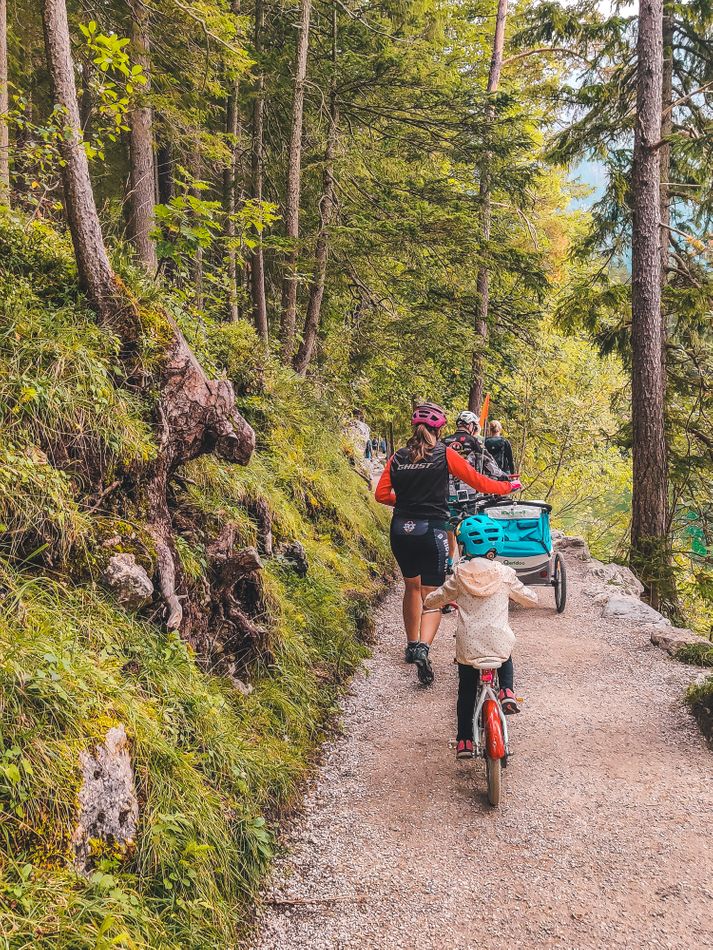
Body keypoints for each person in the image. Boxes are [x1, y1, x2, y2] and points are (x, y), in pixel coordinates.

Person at [374, 402, 515, 686]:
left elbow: (381, 494)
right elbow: (478, 481)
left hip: (401, 529)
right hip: (433, 530)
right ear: (439, 430)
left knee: (410, 587)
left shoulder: (398, 457)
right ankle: (424, 648)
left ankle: (411, 644)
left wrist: (403, 502)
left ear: (414, 428)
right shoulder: (444, 454)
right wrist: (508, 487)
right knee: (431, 596)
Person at [422, 516, 537, 757]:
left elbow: (438, 596)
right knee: (505, 647)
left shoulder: (460, 574)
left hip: (468, 647)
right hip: (497, 644)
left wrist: (428, 600)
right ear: (496, 546)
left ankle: (464, 740)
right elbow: (529, 598)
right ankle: (507, 691)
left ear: (464, 545)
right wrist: (524, 597)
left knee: (465, 690)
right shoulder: (504, 573)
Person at [443, 410, 511, 573]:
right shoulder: (474, 442)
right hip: (469, 495)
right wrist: (504, 478)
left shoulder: (443, 442)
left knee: (449, 528)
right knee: (468, 528)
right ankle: (466, 566)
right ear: (471, 426)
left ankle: (449, 562)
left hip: (446, 493)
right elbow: (490, 464)